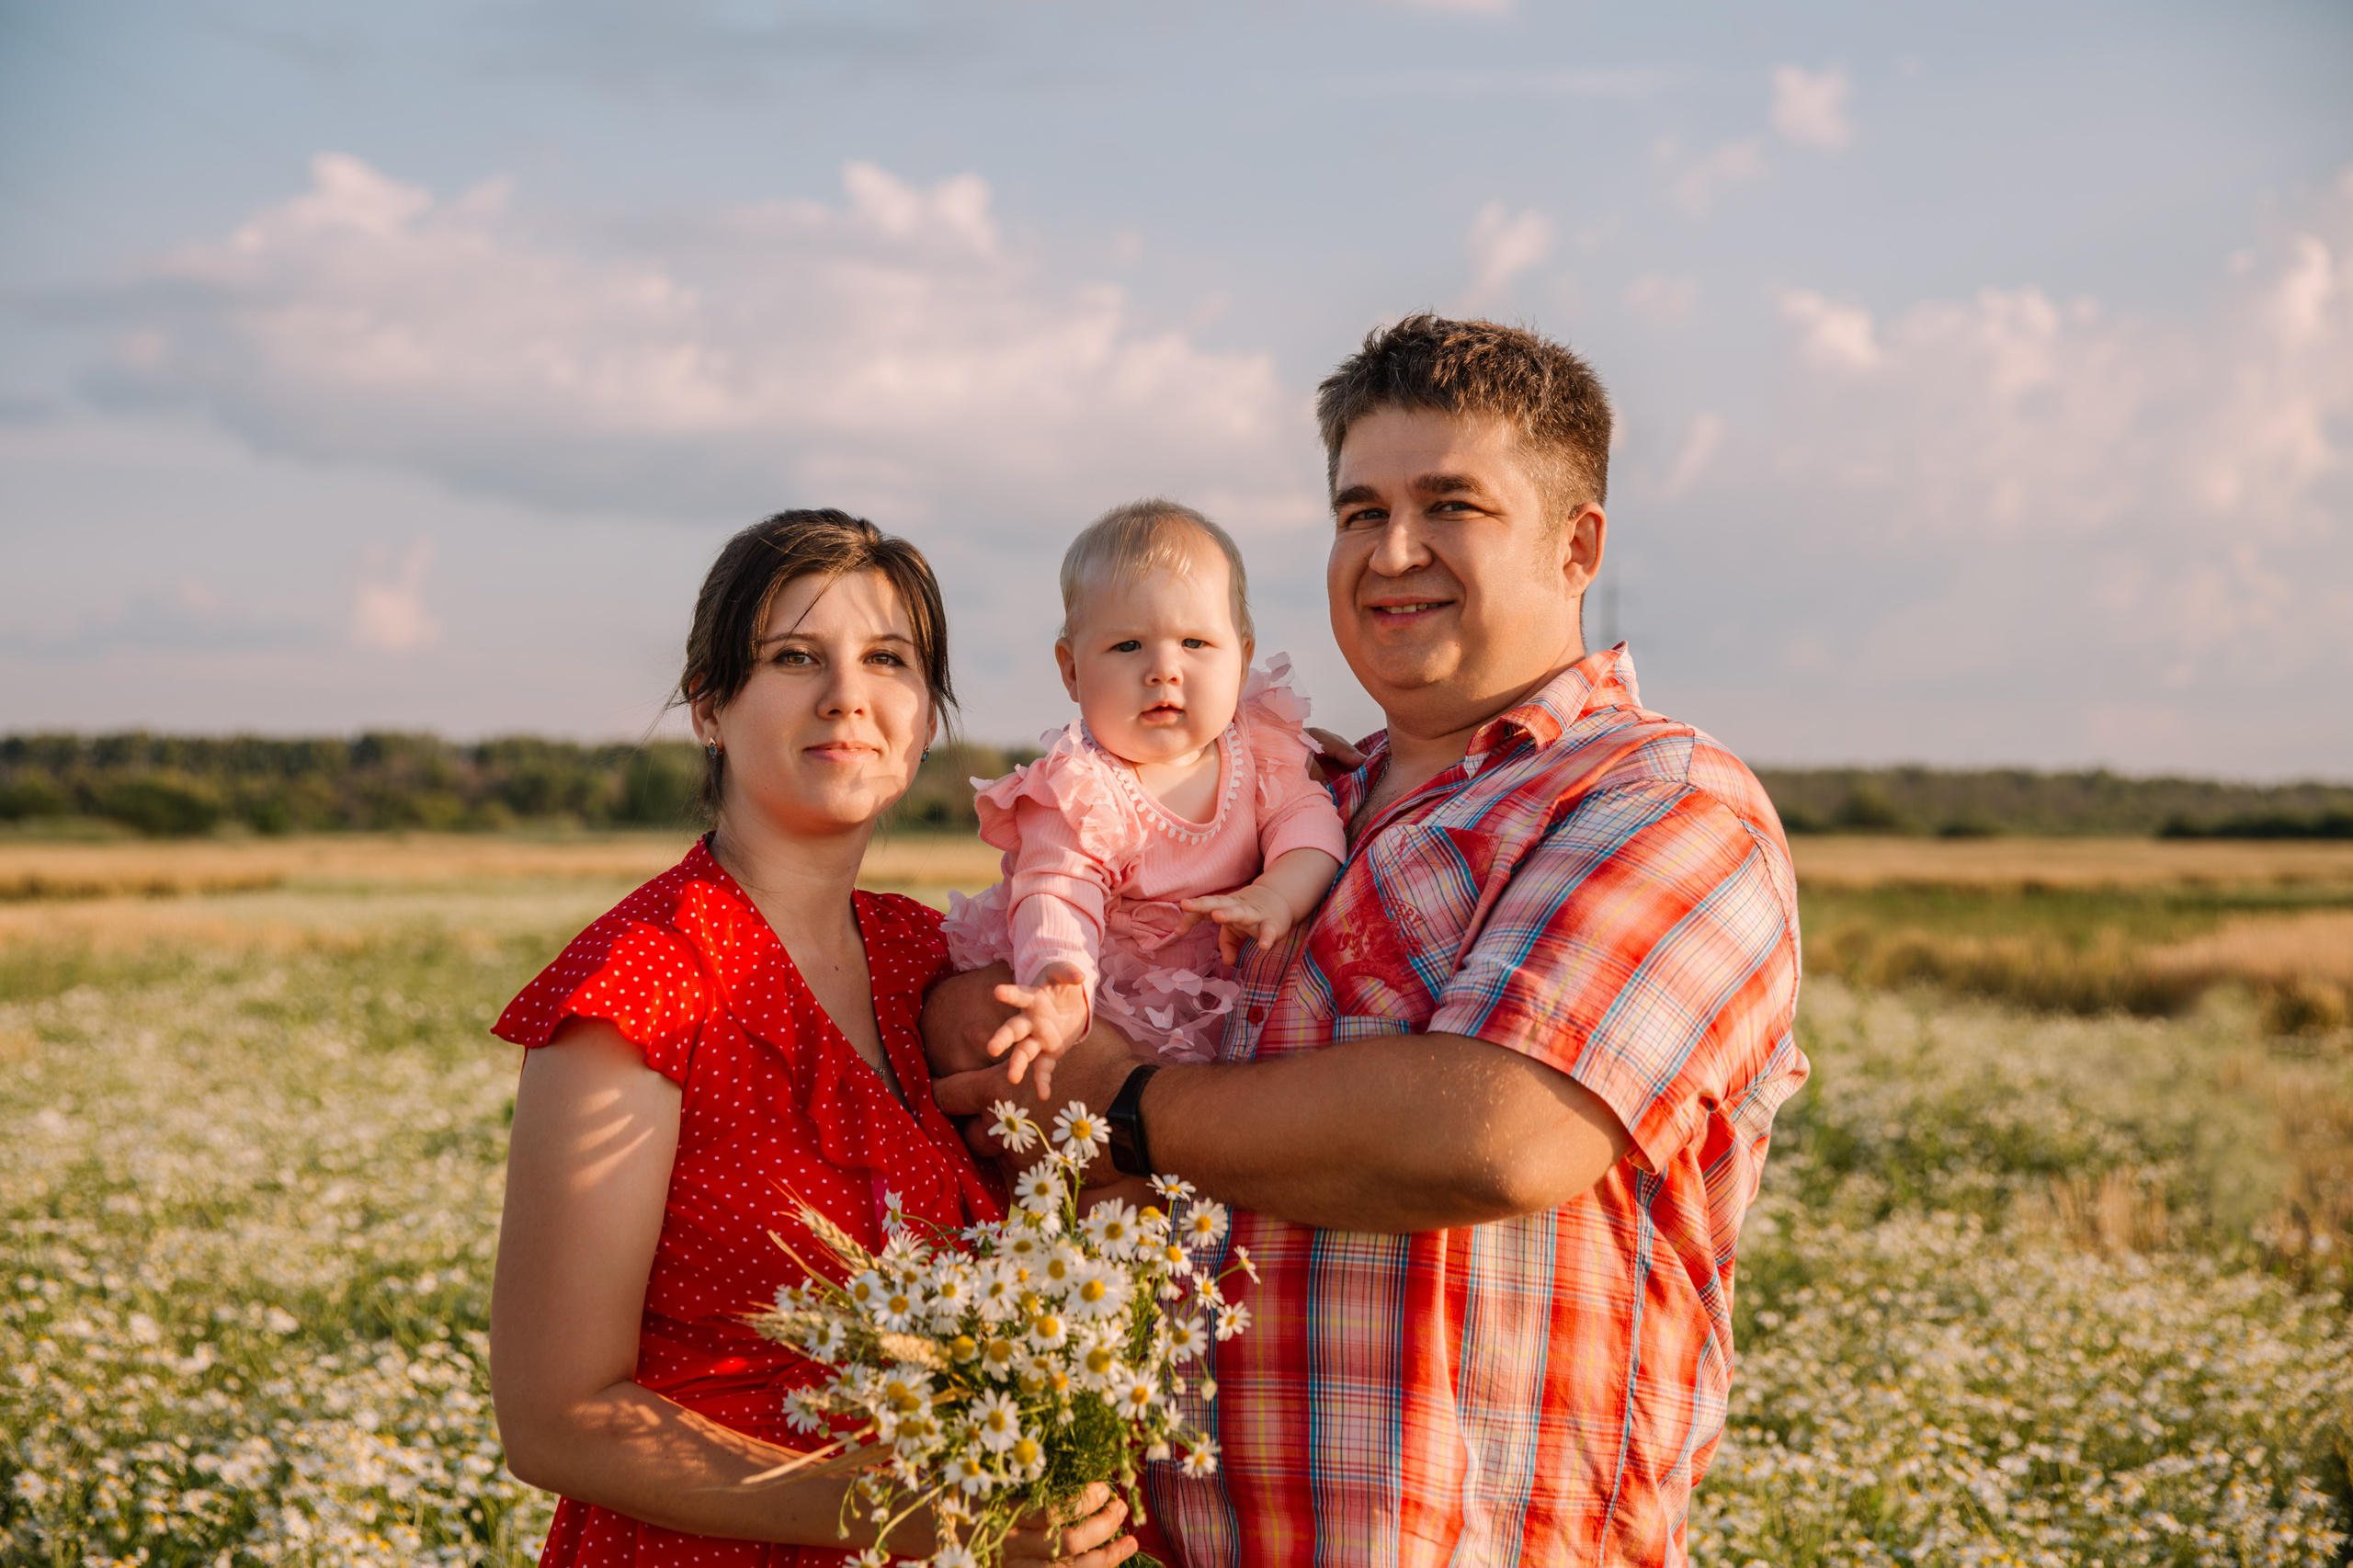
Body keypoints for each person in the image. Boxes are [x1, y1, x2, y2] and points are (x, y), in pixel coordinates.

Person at [930, 317, 1808, 1566]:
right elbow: (1007, 1014)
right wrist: (983, 1016)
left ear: (1578, 545)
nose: (1393, 552)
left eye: (1451, 504)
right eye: (1358, 512)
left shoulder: (1657, 802)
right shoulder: (1283, 804)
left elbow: (1495, 1134)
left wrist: (1117, 1106)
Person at [488, 509, 1135, 1567]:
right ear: (709, 707)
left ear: (925, 716)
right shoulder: (641, 988)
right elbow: (556, 1415)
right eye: (794, 657)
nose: (847, 693)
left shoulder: (932, 954)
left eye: (888, 659)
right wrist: (927, 1509)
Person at [942, 500, 1347, 1093]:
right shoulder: (1080, 788)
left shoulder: (1259, 746)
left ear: (1243, 659)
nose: (1164, 669)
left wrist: (1277, 893)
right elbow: (1058, 892)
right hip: (1110, 1000)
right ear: (1072, 670)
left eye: (1195, 642)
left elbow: (1309, 824)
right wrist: (1061, 982)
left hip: (1225, 993)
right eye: (1128, 646)